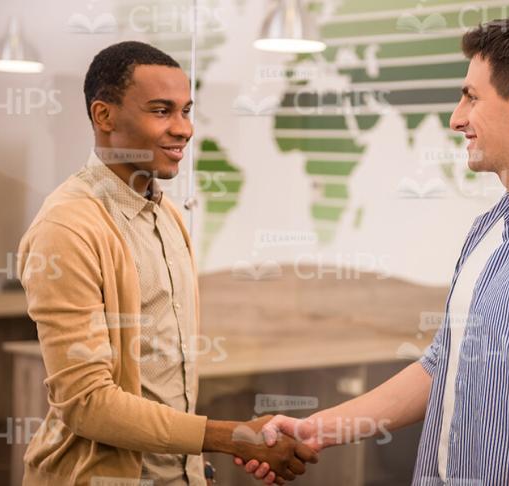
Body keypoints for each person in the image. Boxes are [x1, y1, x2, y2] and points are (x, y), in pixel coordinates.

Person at [237, 16, 509, 486]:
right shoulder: (490, 228)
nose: (457, 118)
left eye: (471, 97)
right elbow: (443, 366)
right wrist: (318, 429)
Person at [17, 41, 316, 486]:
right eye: (162, 111)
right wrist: (231, 436)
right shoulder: (68, 226)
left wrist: (191, 467)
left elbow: (162, 377)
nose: (184, 129)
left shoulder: (168, 214)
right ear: (104, 116)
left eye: (186, 110)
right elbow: (87, 403)